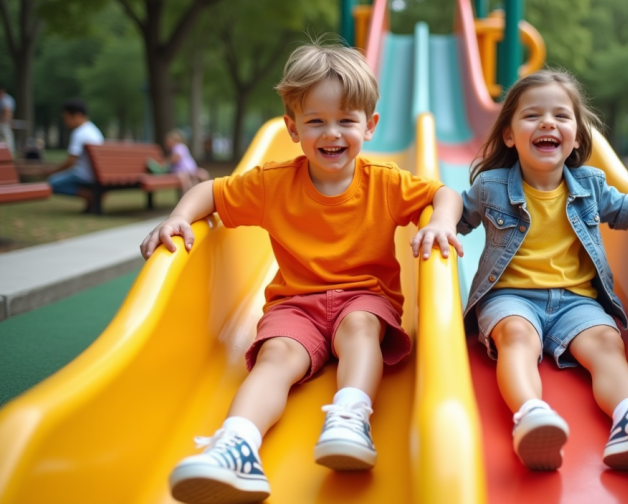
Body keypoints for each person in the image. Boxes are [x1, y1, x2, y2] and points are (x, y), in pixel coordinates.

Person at [140, 42, 464, 504]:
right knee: (275, 356)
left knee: (360, 327)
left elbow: (443, 194)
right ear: (293, 128)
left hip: (363, 297)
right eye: (316, 122)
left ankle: (350, 416)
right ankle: (237, 444)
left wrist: (441, 222)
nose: (332, 133)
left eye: (346, 121)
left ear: (369, 125)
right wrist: (178, 217)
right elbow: (210, 191)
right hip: (296, 305)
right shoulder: (273, 183)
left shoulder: (385, 181)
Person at [458, 70, 628, 473]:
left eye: (561, 116)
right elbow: (458, 214)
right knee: (517, 337)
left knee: (607, 341)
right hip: (510, 297)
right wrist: (439, 220)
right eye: (532, 116)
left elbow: (624, 206)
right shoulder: (492, 186)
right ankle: (531, 415)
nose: (547, 123)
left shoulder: (589, 184)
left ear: (575, 136)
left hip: (575, 301)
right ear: (509, 136)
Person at [46, 99, 104, 211]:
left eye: (66, 117)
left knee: (52, 182)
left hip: (85, 175)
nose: (65, 121)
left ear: (77, 115)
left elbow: (71, 162)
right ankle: (92, 197)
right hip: (97, 174)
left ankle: (90, 196)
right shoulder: (94, 130)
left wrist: (53, 171)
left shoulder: (79, 133)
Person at [0, 87, 16, 155]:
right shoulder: (8, 99)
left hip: (4, 122)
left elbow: (7, 111)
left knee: (7, 137)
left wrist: (1, 121)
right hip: (5, 121)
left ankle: (8, 153)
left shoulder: (5, 99)